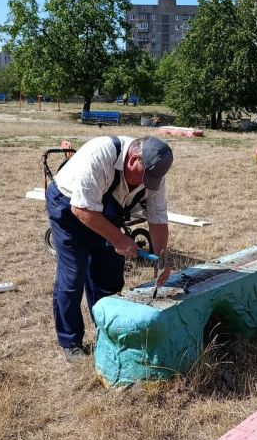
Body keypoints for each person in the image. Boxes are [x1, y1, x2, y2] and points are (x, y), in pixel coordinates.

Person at [45, 135, 173, 361]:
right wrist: (119, 239)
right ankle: (70, 341)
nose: (145, 184)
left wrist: (162, 257)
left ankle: (105, 329)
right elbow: (82, 209)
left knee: (110, 276)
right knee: (74, 274)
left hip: (103, 212)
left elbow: (158, 219)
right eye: (143, 177)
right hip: (69, 207)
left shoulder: (154, 176)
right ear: (133, 159)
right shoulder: (101, 153)